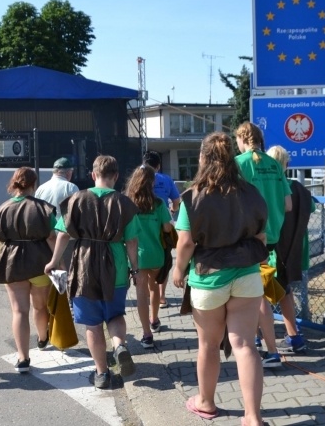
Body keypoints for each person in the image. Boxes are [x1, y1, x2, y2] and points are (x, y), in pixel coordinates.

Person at [172, 132, 268, 426]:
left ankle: (206, 403)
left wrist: (178, 269)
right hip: (247, 275)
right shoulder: (250, 192)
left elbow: (186, 242)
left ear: (202, 158)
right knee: (245, 346)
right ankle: (252, 417)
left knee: (208, 345)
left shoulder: (193, 195)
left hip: (208, 276)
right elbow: (261, 236)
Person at [44, 155, 140, 389]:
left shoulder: (76, 199)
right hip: (115, 266)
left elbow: (63, 234)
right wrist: (135, 269)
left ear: (93, 175)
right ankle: (119, 346)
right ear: (116, 176)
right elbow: (132, 242)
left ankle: (102, 373)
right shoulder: (125, 204)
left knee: (93, 325)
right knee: (115, 314)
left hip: (84, 267)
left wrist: (54, 261)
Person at [235, 121, 292, 369]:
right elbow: (288, 204)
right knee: (259, 291)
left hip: (249, 238)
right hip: (272, 236)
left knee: (257, 297)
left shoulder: (239, 164)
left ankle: (271, 352)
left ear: (243, 139)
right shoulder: (274, 164)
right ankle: (259, 341)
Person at [0, 167, 57, 373]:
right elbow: (52, 237)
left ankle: (23, 358)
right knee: (39, 307)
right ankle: (43, 338)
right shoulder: (44, 208)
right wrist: (58, 262)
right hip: (40, 262)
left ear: (14, 183)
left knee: (19, 311)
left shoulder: (2, 208)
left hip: (12, 262)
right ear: (33, 184)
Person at [266, 145, 315, 354]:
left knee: (262, 294)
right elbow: (310, 208)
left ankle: (261, 337)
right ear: (286, 164)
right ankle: (294, 336)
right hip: (293, 250)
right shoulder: (299, 189)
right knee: (284, 291)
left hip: (271, 250)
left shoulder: (267, 188)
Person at [124, 164, 172, 349]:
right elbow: (168, 227)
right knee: (154, 289)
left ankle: (146, 334)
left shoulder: (128, 203)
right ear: (151, 182)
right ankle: (154, 318)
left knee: (141, 293)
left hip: (137, 255)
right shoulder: (158, 203)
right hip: (156, 253)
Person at [143, 150, 180, 308]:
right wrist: (172, 211)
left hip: (142, 224)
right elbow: (176, 200)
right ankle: (162, 297)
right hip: (163, 223)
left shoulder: (137, 178)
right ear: (158, 165)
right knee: (164, 260)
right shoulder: (166, 179)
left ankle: (145, 295)